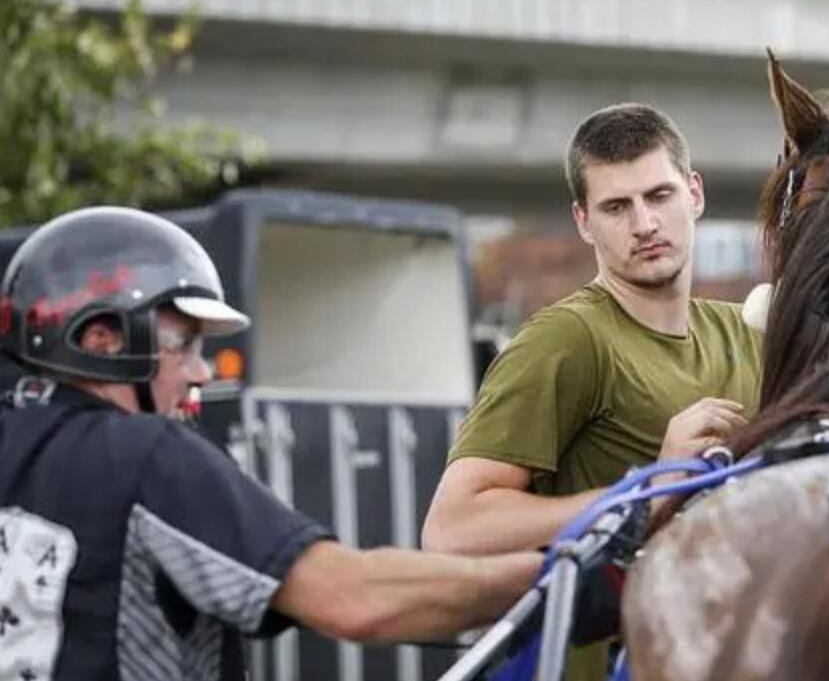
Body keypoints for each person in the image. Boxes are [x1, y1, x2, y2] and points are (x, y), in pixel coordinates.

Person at [0, 207, 541, 681]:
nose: (201, 370)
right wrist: (556, 575)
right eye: (183, 344)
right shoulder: (145, 455)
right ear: (102, 341)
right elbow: (353, 597)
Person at [422, 103, 762, 679]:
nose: (644, 224)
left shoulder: (749, 333)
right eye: (616, 207)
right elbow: (452, 530)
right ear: (584, 222)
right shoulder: (567, 340)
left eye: (659, 196)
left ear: (695, 194)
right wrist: (645, 490)